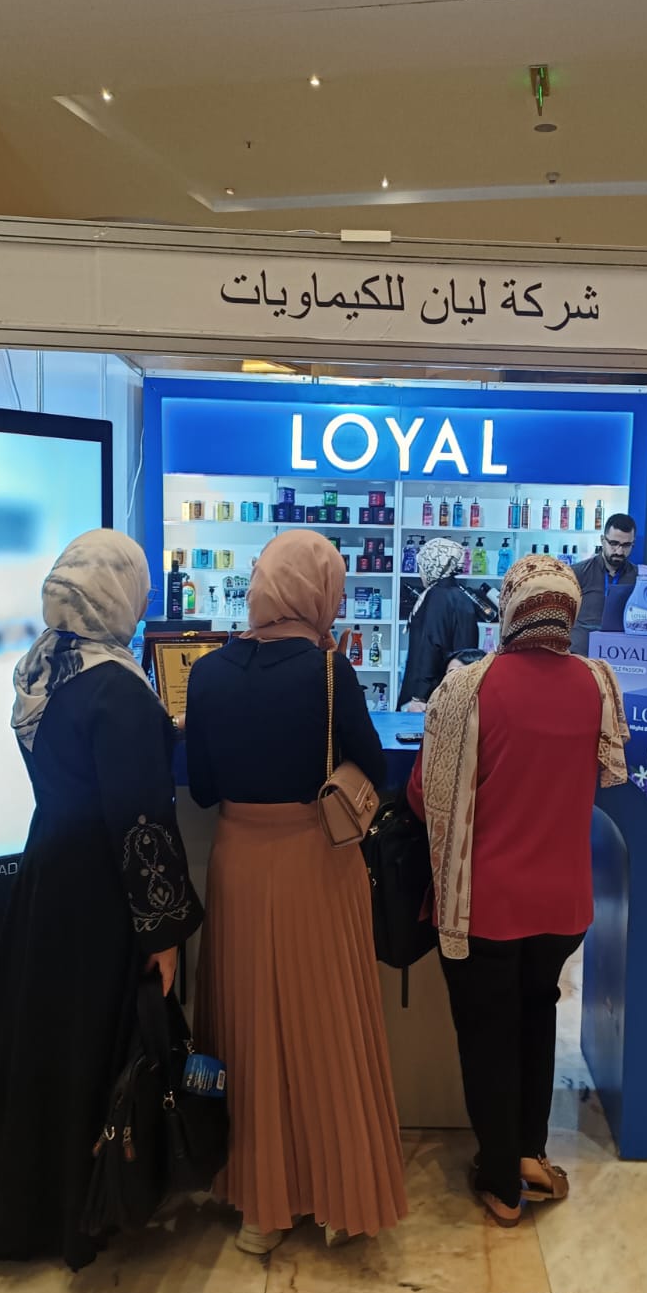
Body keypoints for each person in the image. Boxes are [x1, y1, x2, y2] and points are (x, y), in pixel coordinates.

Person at [0, 529, 202, 1271]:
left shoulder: (45, 668)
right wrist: (164, 931)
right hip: (102, 892)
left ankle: (10, 1202)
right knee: (87, 1039)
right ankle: (80, 1206)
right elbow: (140, 821)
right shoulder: (118, 689)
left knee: (36, 1036)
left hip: (50, 868)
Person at [186, 530, 407, 1255]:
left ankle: (261, 1208)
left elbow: (204, 787)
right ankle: (339, 1197)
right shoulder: (328, 671)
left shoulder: (207, 673)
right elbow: (375, 767)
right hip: (318, 860)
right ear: (319, 592)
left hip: (239, 864)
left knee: (247, 1030)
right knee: (329, 1025)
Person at [408, 555, 629, 1228]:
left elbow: (425, 796)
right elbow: (609, 776)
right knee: (537, 1019)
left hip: (485, 903)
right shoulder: (597, 683)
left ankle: (501, 1181)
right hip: (562, 904)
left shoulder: (469, 687)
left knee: (487, 1036)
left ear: (510, 608)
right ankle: (531, 1153)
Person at [397, 537, 481, 709]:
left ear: (432, 564)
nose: (420, 572)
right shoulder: (462, 596)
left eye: (422, 565)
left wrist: (419, 696)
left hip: (432, 694)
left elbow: (431, 644)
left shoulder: (436, 596)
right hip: (456, 690)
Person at [570, 513, 638, 655]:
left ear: (633, 543)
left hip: (623, 656)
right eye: (614, 543)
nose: (619, 551)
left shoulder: (638, 578)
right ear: (602, 540)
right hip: (582, 656)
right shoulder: (578, 572)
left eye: (626, 545)